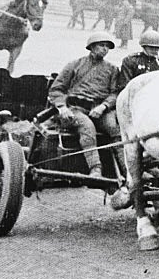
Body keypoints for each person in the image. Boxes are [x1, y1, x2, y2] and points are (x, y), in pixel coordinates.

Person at [48, 32, 121, 179]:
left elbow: (115, 93)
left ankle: (129, 170)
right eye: (101, 45)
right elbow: (56, 89)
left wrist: (104, 106)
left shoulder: (113, 69)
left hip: (99, 110)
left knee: (115, 130)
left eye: (107, 47)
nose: (105, 49)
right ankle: (95, 169)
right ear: (92, 47)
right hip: (75, 109)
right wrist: (62, 108)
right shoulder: (74, 65)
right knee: (87, 128)